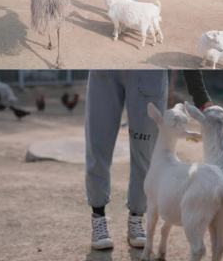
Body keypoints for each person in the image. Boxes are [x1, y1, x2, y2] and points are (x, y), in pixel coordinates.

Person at [85, 70, 212, 250]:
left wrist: (201, 97)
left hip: (148, 75)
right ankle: (98, 217)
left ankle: (136, 218)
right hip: (104, 73)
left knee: (145, 153)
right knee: (98, 145)